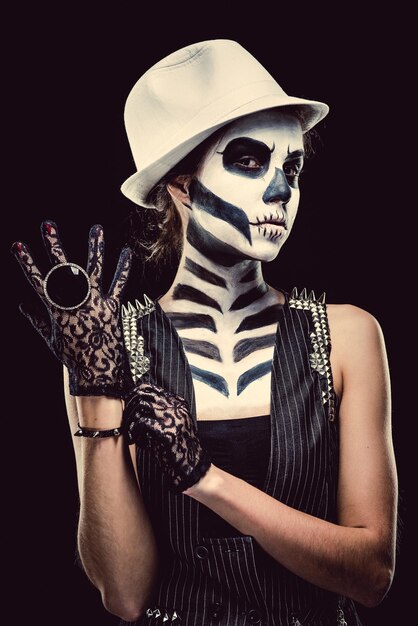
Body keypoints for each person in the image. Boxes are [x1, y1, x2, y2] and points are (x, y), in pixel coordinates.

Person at [11, 40, 397, 625]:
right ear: (181, 184)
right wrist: (95, 391)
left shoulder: (347, 337)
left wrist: (206, 480)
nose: (281, 190)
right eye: (249, 160)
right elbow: (125, 595)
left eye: (290, 166)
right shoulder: (109, 347)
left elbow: (371, 574)